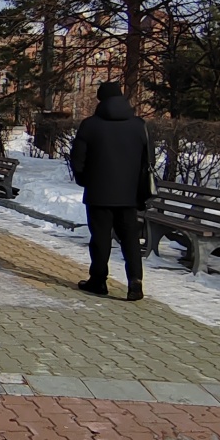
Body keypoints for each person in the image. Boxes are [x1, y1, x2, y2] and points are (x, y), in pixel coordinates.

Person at [69, 81, 153, 300]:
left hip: (99, 193)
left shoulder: (90, 125)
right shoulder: (139, 125)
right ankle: (135, 281)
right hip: (129, 195)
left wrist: (85, 179)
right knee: (130, 239)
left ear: (101, 100)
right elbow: (147, 161)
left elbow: (78, 159)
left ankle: (98, 280)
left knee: (100, 238)